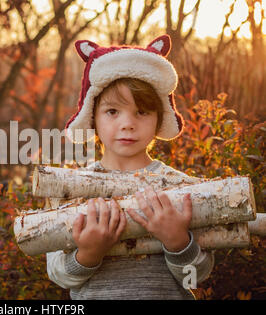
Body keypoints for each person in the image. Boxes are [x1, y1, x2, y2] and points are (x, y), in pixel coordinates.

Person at [46, 34, 214, 300]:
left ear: (159, 119)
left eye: (142, 112)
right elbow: (58, 276)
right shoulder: (71, 190)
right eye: (113, 112)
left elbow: (198, 276)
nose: (128, 124)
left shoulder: (182, 188)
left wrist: (177, 241)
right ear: (92, 117)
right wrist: (88, 254)